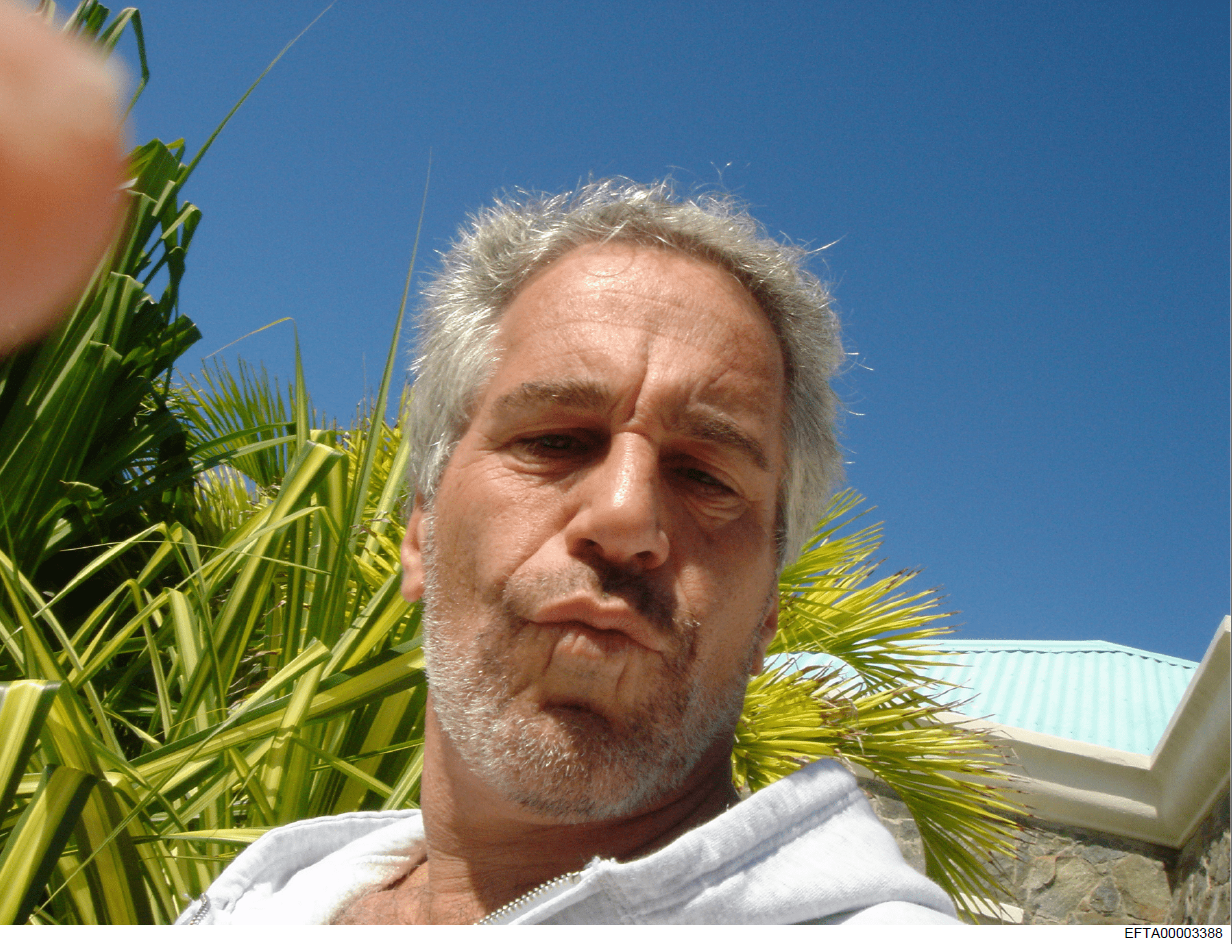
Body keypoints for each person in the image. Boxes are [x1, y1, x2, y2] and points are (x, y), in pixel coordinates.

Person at [176, 180, 958, 925]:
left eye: (703, 475)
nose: (624, 516)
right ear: (420, 534)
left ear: (767, 617)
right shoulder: (258, 905)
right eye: (554, 440)